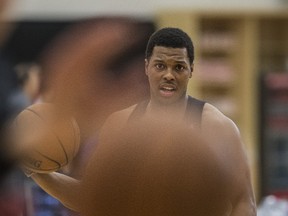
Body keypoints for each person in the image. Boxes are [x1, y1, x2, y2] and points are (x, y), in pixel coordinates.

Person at [25, 27, 256, 215]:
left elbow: (243, 203)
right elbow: (92, 198)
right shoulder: (120, 123)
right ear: (146, 67)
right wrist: (37, 171)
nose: (168, 74)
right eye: (160, 65)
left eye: (179, 67)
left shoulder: (216, 125)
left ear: (191, 71)